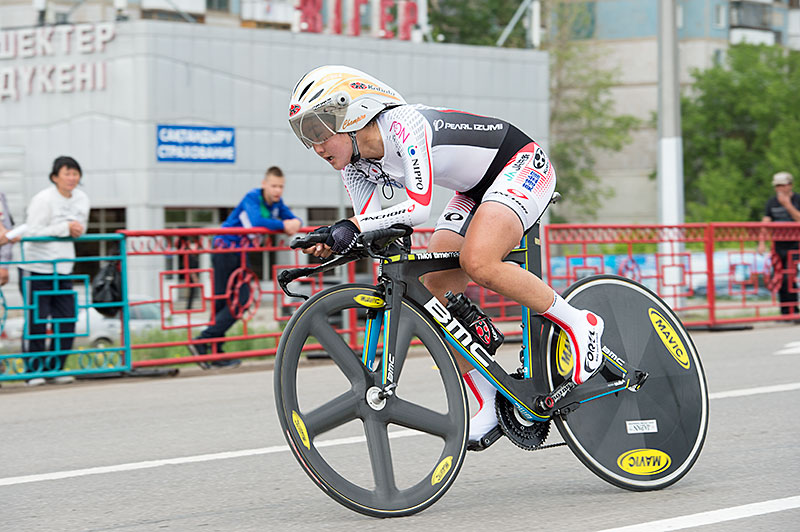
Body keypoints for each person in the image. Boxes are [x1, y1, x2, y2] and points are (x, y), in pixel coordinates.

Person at [288, 65, 605, 447]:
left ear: (352, 113)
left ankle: (580, 322)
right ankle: (490, 398)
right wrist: (335, 236)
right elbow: (371, 223)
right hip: (471, 191)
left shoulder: (404, 125)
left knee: (480, 261)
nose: (316, 146)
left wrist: (353, 227)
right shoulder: (356, 167)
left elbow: (419, 208)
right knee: (433, 292)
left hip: (518, 164)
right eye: (307, 136)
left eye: (319, 131)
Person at [190, 166, 303, 369]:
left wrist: (294, 222)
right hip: (225, 249)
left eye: (281, 187)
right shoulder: (253, 197)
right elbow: (257, 221)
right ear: (264, 185)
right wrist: (284, 225)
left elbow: (294, 220)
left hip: (240, 253)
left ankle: (212, 349)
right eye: (274, 186)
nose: (277, 190)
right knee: (234, 300)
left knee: (233, 301)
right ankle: (204, 343)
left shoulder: (277, 204)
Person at [19, 156, 90, 386]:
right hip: (37, 266)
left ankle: (56, 367)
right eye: (67, 173)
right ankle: (34, 370)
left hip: (64, 267)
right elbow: (32, 231)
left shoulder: (81, 198)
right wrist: (64, 228)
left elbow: (81, 227)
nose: (71, 178)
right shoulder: (43, 199)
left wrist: (75, 229)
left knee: (67, 319)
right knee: (37, 321)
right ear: (54, 177)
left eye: (75, 173)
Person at [758, 171, 800, 316]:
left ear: (790, 185)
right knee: (779, 277)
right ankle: (784, 311)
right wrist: (761, 242)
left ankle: (793, 309)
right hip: (778, 245)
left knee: (790, 276)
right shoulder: (772, 202)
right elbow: (766, 223)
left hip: (795, 245)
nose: (779, 189)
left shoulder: (797, 200)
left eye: (782, 185)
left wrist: (787, 205)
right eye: (777, 186)